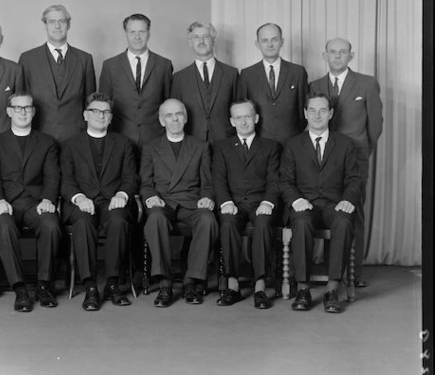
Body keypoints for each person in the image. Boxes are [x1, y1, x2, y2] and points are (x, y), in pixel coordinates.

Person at [308, 37, 383, 287]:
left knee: (354, 213)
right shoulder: (314, 85)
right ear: (324, 55)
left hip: (355, 160)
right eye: (332, 52)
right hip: (322, 162)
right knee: (329, 212)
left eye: (343, 52)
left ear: (351, 56)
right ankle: (331, 271)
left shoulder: (367, 83)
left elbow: (375, 126)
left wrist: (361, 153)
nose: (337, 56)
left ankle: (355, 273)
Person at [280, 91, 361, 313]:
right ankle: (303, 289)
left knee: (344, 222)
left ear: (331, 114)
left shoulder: (345, 144)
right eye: (312, 110)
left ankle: (332, 290)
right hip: (304, 204)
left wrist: (347, 200)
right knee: (302, 222)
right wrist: (295, 199)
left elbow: (354, 179)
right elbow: (285, 180)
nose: (317, 115)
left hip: (334, 204)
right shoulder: (293, 144)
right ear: (305, 113)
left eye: (323, 110)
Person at [61, 93, 139, 311]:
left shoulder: (124, 144)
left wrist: (122, 195)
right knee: (84, 222)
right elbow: (66, 180)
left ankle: (113, 284)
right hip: (81, 202)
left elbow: (131, 177)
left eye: (105, 112)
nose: (101, 115)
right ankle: (91, 287)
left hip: (112, 201)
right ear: (86, 114)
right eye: (95, 111)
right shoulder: (70, 144)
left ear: (111, 117)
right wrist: (79, 198)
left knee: (118, 221)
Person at [0, 93, 62, 312]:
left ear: (34, 111)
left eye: (27, 108)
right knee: (3, 226)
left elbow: (52, 177)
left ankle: (44, 285)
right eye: (17, 108)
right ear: (9, 111)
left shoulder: (47, 142)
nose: (22, 112)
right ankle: (20, 289)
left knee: (50, 225)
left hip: (35, 202)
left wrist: (48, 199)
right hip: (7, 202)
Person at [140, 98, 218, 308]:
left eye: (178, 114)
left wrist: (206, 198)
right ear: (161, 120)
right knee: (155, 218)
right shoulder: (151, 147)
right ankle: (165, 284)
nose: (174, 119)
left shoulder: (200, 146)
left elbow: (207, 183)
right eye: (169, 115)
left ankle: (191, 281)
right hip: (162, 202)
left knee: (208, 220)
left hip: (191, 203)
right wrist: (150, 197)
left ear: (185, 117)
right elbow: (145, 182)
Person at [212, 99, 281, 309]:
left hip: (260, 202)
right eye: (238, 117)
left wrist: (268, 202)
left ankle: (260, 286)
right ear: (232, 121)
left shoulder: (270, 146)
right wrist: (225, 202)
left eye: (248, 117)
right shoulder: (222, 147)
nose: (244, 122)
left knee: (262, 224)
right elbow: (218, 179)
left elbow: (274, 180)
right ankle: (232, 285)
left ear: (256, 119)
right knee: (228, 223)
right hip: (232, 202)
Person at [18, 4, 96, 143]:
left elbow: (90, 103)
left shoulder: (85, 59)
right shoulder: (27, 59)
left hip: (76, 137)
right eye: (52, 22)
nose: (57, 26)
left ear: (69, 25)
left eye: (62, 21)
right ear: (45, 25)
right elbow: (21, 101)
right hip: (38, 136)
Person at [99, 13, 173, 151]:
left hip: (155, 138)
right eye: (132, 32)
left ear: (149, 33)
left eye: (142, 32)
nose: (137, 36)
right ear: (125, 34)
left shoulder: (164, 65)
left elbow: (168, 102)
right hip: (120, 137)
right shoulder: (110, 66)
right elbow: (104, 105)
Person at [237, 23, 309, 145]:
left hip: (292, 142)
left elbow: (304, 110)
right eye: (264, 40)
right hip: (259, 143)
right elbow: (242, 111)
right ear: (257, 44)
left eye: (274, 39)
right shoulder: (247, 75)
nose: (270, 44)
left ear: (282, 41)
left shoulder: (297, 72)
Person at [171, 22, 238, 144]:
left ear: (213, 41)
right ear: (190, 43)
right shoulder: (179, 78)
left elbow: (238, 109)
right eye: (196, 37)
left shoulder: (231, 74)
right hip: (192, 142)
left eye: (206, 37)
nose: (201, 41)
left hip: (225, 140)